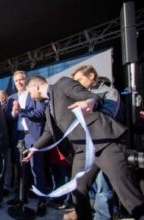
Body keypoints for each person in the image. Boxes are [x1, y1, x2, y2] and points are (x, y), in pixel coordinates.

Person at [23, 75, 144, 220]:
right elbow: (48, 133)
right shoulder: (49, 109)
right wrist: (34, 149)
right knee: (77, 189)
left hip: (104, 142)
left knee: (128, 195)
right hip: (83, 150)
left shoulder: (62, 84)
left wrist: (90, 102)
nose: (30, 96)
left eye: (29, 92)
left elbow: (91, 97)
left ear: (36, 86)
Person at [72, 65, 122, 219]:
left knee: (102, 189)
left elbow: (109, 114)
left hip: (104, 146)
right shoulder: (82, 95)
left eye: (80, 79)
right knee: (87, 188)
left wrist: (91, 107)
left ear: (91, 76)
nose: (78, 84)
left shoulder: (110, 92)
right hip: (86, 148)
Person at [5, 71, 48, 216]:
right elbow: (8, 117)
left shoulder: (34, 94)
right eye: (16, 80)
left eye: (22, 79)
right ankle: (21, 197)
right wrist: (13, 113)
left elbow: (40, 114)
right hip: (18, 138)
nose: (19, 82)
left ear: (27, 79)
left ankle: (42, 201)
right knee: (20, 170)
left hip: (33, 137)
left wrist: (21, 111)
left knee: (37, 170)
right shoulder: (11, 98)